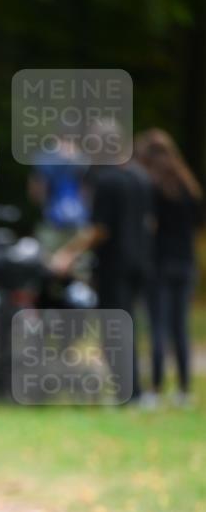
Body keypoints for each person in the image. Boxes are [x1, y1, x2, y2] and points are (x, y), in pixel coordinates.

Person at [52, 119, 154, 402]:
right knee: (129, 325)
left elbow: (99, 229)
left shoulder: (107, 181)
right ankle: (135, 390)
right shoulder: (140, 176)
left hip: (114, 265)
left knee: (114, 330)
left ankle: (129, 392)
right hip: (141, 262)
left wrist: (68, 254)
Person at [135, 129, 204, 407]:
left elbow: (148, 226)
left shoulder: (150, 187)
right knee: (180, 328)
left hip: (159, 264)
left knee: (157, 328)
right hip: (186, 263)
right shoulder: (189, 185)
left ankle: (155, 388)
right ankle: (184, 389)